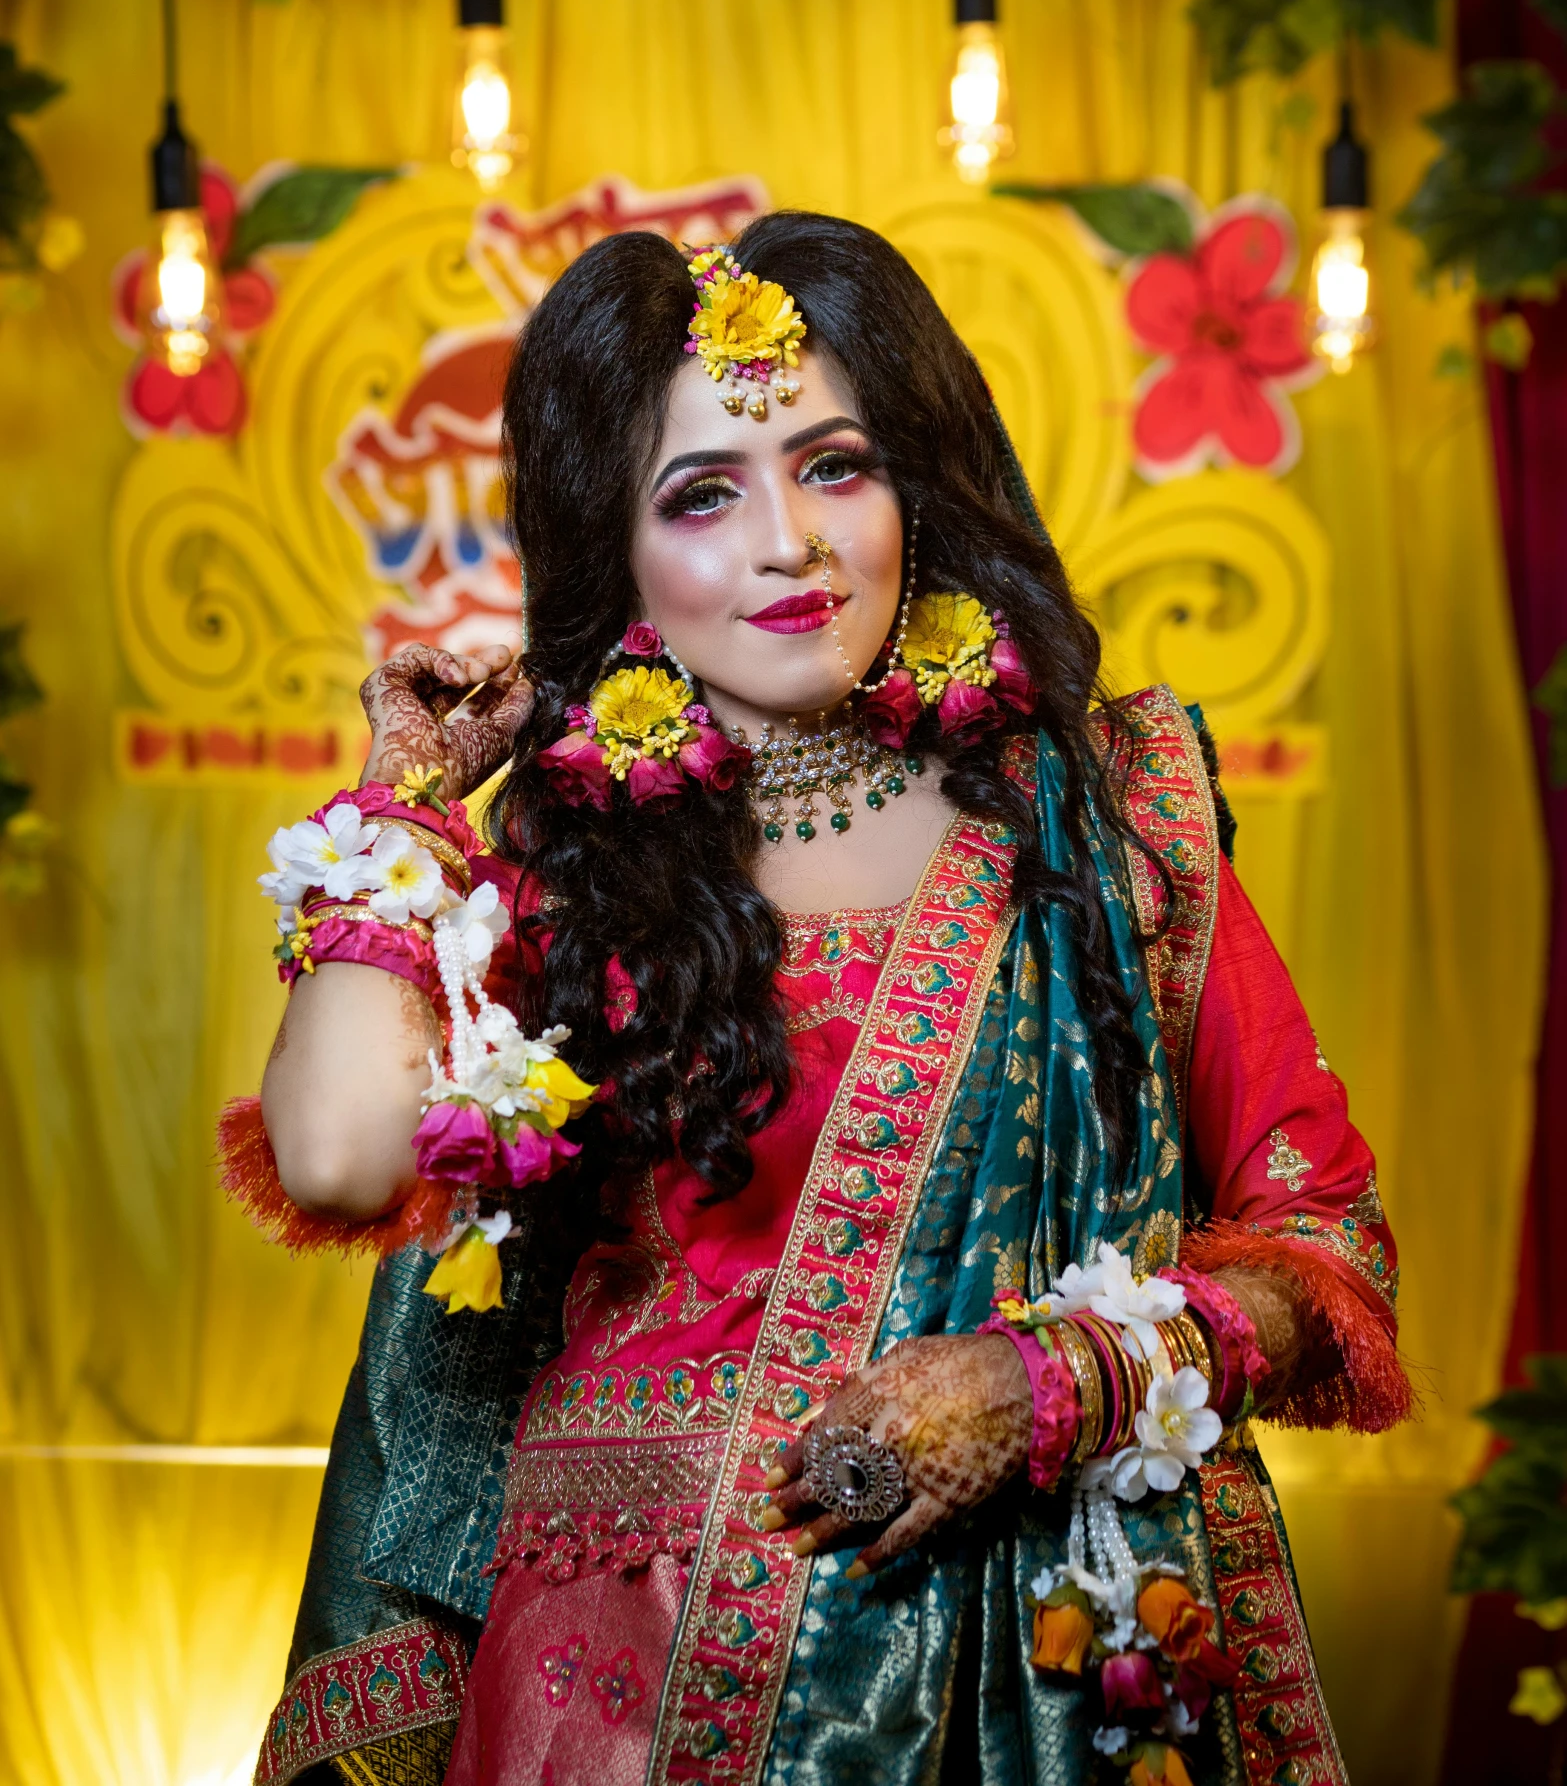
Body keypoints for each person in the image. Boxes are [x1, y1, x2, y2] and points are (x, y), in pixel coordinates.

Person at [226, 213, 1409, 1786]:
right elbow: (337, 1160)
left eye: (833, 463)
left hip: (1021, 1676)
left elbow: (1328, 1246)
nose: (786, 537)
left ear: (914, 481)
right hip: (611, 1689)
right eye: (701, 493)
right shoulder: (563, 861)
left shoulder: (1108, 822)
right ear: (620, 551)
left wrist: (1045, 1377)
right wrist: (409, 805)